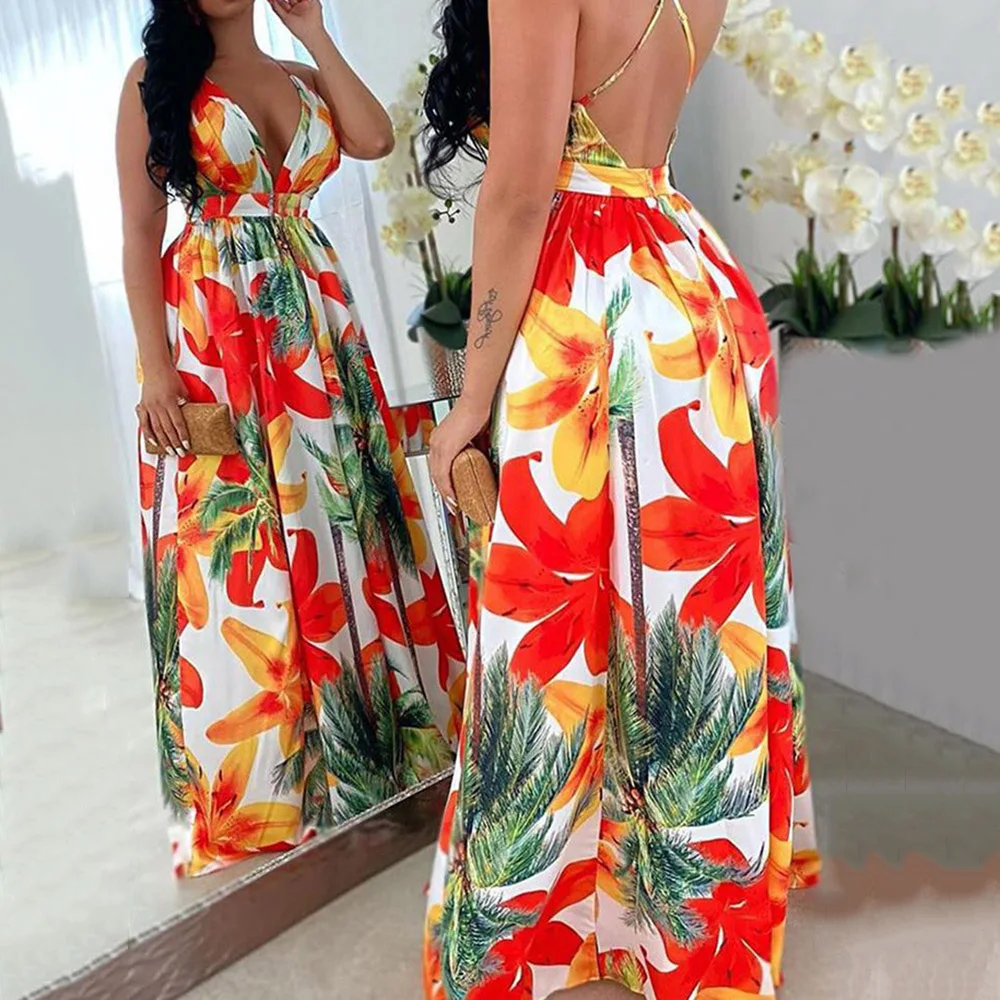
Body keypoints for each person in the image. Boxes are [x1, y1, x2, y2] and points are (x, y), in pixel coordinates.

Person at [421, 0, 821, 996]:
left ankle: (544, 926)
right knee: (688, 620)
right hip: (693, 291)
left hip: (586, 301)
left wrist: (468, 400)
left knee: (550, 624)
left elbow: (519, 192)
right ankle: (690, 928)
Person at [116, 0, 464, 878]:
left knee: (348, 516)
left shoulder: (304, 75)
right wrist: (156, 372)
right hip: (219, 331)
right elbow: (138, 234)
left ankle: (381, 746)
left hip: (318, 322)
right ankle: (274, 782)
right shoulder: (157, 83)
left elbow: (374, 138)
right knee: (250, 542)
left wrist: (312, 30)